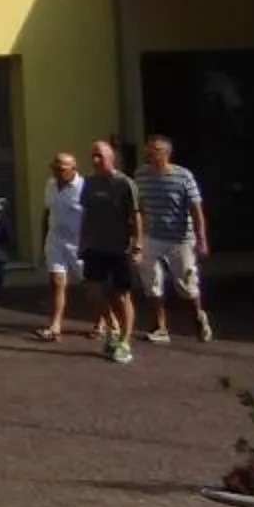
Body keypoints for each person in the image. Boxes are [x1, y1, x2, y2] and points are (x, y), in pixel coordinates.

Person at [136, 134, 214, 344]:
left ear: (166, 154)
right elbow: (139, 208)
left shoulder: (183, 176)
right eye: (149, 150)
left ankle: (198, 316)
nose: (151, 154)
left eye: (156, 150)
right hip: (153, 236)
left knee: (186, 286)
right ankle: (160, 326)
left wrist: (202, 238)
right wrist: (138, 238)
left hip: (180, 237)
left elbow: (196, 209)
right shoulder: (141, 175)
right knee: (151, 282)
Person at [77, 138, 144, 365]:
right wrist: (82, 241)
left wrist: (138, 245)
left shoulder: (124, 183)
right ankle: (111, 329)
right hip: (95, 246)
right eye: (93, 156)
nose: (95, 160)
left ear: (111, 158)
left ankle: (125, 341)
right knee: (93, 291)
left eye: (100, 156)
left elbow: (136, 215)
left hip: (119, 247)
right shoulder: (89, 182)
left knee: (121, 294)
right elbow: (86, 213)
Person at [37, 151, 84, 341]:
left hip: (78, 243)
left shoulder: (83, 187)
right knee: (57, 282)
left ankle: (107, 322)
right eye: (54, 168)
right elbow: (46, 212)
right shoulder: (50, 184)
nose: (56, 172)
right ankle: (55, 325)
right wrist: (43, 240)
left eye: (61, 169)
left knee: (93, 287)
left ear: (73, 169)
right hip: (55, 240)